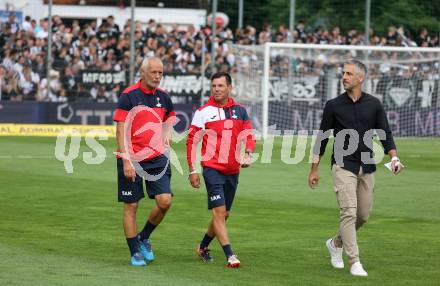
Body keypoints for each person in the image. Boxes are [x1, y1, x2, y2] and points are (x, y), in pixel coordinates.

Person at [308, 59, 404, 276]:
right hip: (342, 165)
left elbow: (385, 133)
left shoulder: (374, 104)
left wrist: (394, 157)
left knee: (363, 215)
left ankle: (335, 243)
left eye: (349, 73)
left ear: (361, 78)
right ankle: (355, 261)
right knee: (349, 212)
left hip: (367, 165)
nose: (344, 77)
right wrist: (314, 169)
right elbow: (322, 138)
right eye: (343, 73)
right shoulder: (333, 105)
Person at [186, 71, 256, 268]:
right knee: (219, 212)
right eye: (214, 86)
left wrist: (248, 153)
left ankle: (202, 246)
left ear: (229, 88)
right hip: (212, 169)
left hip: (233, 170)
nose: (216, 89)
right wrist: (193, 170)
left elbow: (249, 136)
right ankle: (230, 255)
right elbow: (192, 141)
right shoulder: (203, 112)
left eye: (220, 86)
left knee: (224, 215)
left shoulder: (241, 111)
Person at [113, 57, 175, 266]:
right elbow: (120, 128)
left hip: (157, 157)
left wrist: (167, 132)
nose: (157, 76)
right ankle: (134, 252)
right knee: (131, 205)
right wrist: (126, 161)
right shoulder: (129, 96)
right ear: (143, 73)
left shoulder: (164, 97)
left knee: (165, 201)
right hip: (133, 157)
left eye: (160, 73)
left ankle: (144, 237)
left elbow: (169, 118)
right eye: (154, 72)